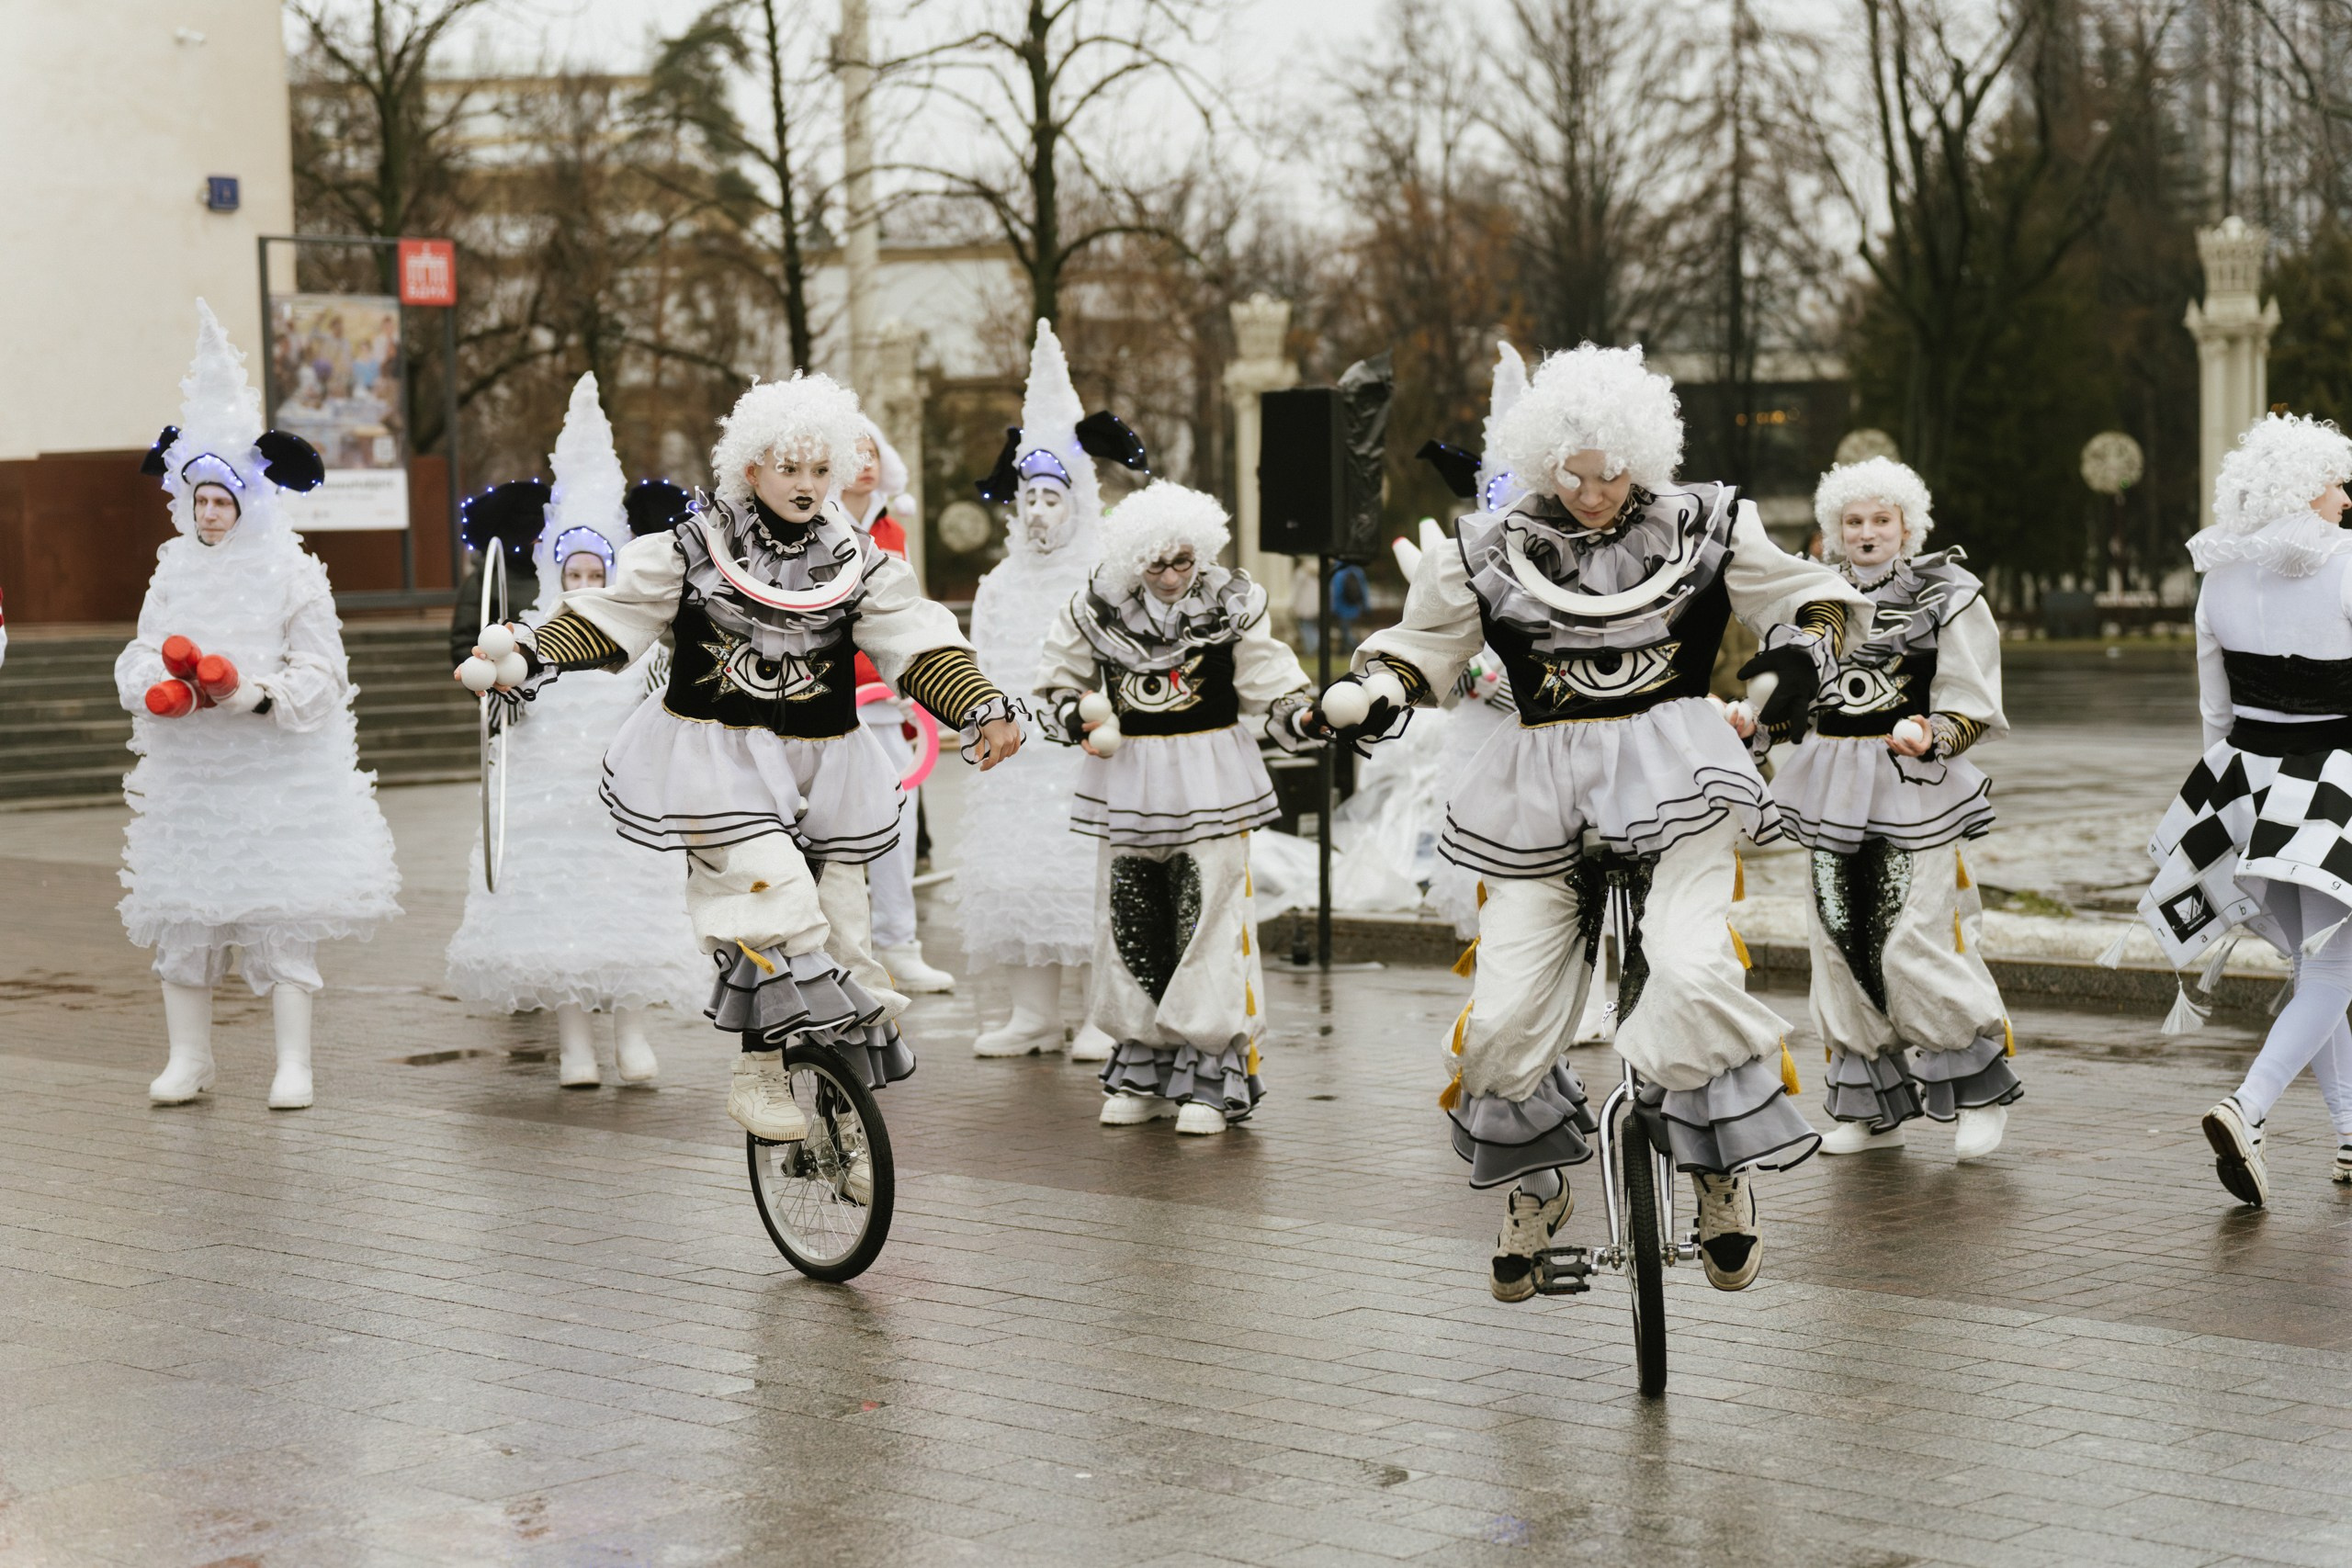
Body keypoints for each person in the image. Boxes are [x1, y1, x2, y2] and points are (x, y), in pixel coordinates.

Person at [1343, 343, 1867, 1300]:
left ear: (1643, 456)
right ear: (1543, 462)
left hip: (1675, 772)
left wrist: (1793, 663)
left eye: (1610, 472)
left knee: (1691, 967)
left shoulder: (1706, 521)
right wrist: (1377, 688)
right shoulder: (1490, 545)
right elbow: (1422, 645)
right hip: (1535, 792)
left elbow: (1806, 598)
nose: (1591, 494)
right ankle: (1539, 1182)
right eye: (1571, 474)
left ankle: (1717, 1169)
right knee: (1499, 1021)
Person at [462, 372, 1020, 1156]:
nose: (806, 484)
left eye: (820, 469)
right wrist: (527, 651)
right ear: (750, 468)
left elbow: (914, 637)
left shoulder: (855, 559)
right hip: (720, 765)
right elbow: (614, 615)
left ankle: (833, 1138)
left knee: (847, 948)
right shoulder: (692, 550)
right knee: (775, 899)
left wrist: (979, 705)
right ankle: (756, 1070)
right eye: (788, 467)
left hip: (826, 765)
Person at [121, 300, 402, 1110]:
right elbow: (144, 647)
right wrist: (151, 686)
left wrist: (258, 695)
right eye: (200, 500)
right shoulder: (171, 569)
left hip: (269, 768)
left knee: (280, 912)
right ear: (185, 498)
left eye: (224, 500)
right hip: (193, 771)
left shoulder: (292, 569)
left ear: (250, 499)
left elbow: (326, 669)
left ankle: (293, 1062)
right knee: (184, 914)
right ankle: (190, 1058)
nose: (211, 514)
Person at [444, 374, 707, 1089]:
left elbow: (669, 701)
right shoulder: (528, 635)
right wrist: (496, 684)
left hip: (624, 799)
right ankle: (573, 1043)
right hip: (551, 803)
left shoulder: (645, 643)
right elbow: (508, 703)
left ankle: (632, 1035)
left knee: (624, 911)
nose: (586, 581)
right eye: (574, 570)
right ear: (556, 572)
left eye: (597, 570)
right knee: (560, 916)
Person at [1036, 481, 1321, 1134]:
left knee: (1210, 920)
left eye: (1183, 561)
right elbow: (1057, 676)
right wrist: (1074, 715)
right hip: (1129, 779)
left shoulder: (1229, 605)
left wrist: (1306, 715)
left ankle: (1209, 1073)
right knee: (1130, 915)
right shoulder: (1097, 609)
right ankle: (1143, 1062)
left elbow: (1269, 679)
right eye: (1157, 563)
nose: (1171, 576)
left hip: (1212, 778)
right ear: (1134, 561)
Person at [1770, 457, 2020, 1159]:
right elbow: (1785, 694)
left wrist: (1933, 732)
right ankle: (1870, 1107)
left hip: (1912, 784)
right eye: (1854, 520)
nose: (1867, 531)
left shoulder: (1947, 590)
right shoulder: (1810, 595)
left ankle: (1977, 1089)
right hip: (1827, 787)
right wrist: (1751, 720)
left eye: (1882, 519)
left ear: (1908, 526)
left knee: (1912, 937)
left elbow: (1973, 693)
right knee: (1836, 938)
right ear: (1833, 530)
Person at [2137, 412, 2352, 1205]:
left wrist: (2228, 793)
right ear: (2302, 488)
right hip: (2333, 785)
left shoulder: (2219, 574)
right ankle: (2247, 1106)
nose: (2345, 496)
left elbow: (2215, 712)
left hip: (2248, 781)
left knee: (2313, 965)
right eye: (2334, 480)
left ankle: (2351, 1134)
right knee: (2333, 969)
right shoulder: (2348, 566)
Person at [956, 319, 1146, 1058]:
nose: (1038, 510)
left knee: (1086, 881)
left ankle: (1103, 1012)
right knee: (1017, 877)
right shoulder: (1000, 583)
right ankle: (1033, 1013)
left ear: (1078, 501)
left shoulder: (1106, 576)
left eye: (1052, 496)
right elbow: (980, 660)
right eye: (1028, 496)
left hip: (1086, 755)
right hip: (1015, 761)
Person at [836, 419, 954, 993]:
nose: (866, 463)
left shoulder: (893, 532)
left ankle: (899, 942)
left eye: (873, 452)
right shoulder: (815, 525)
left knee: (898, 826)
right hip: (830, 704)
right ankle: (840, 954)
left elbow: (906, 612)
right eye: (854, 453)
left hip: (887, 704)